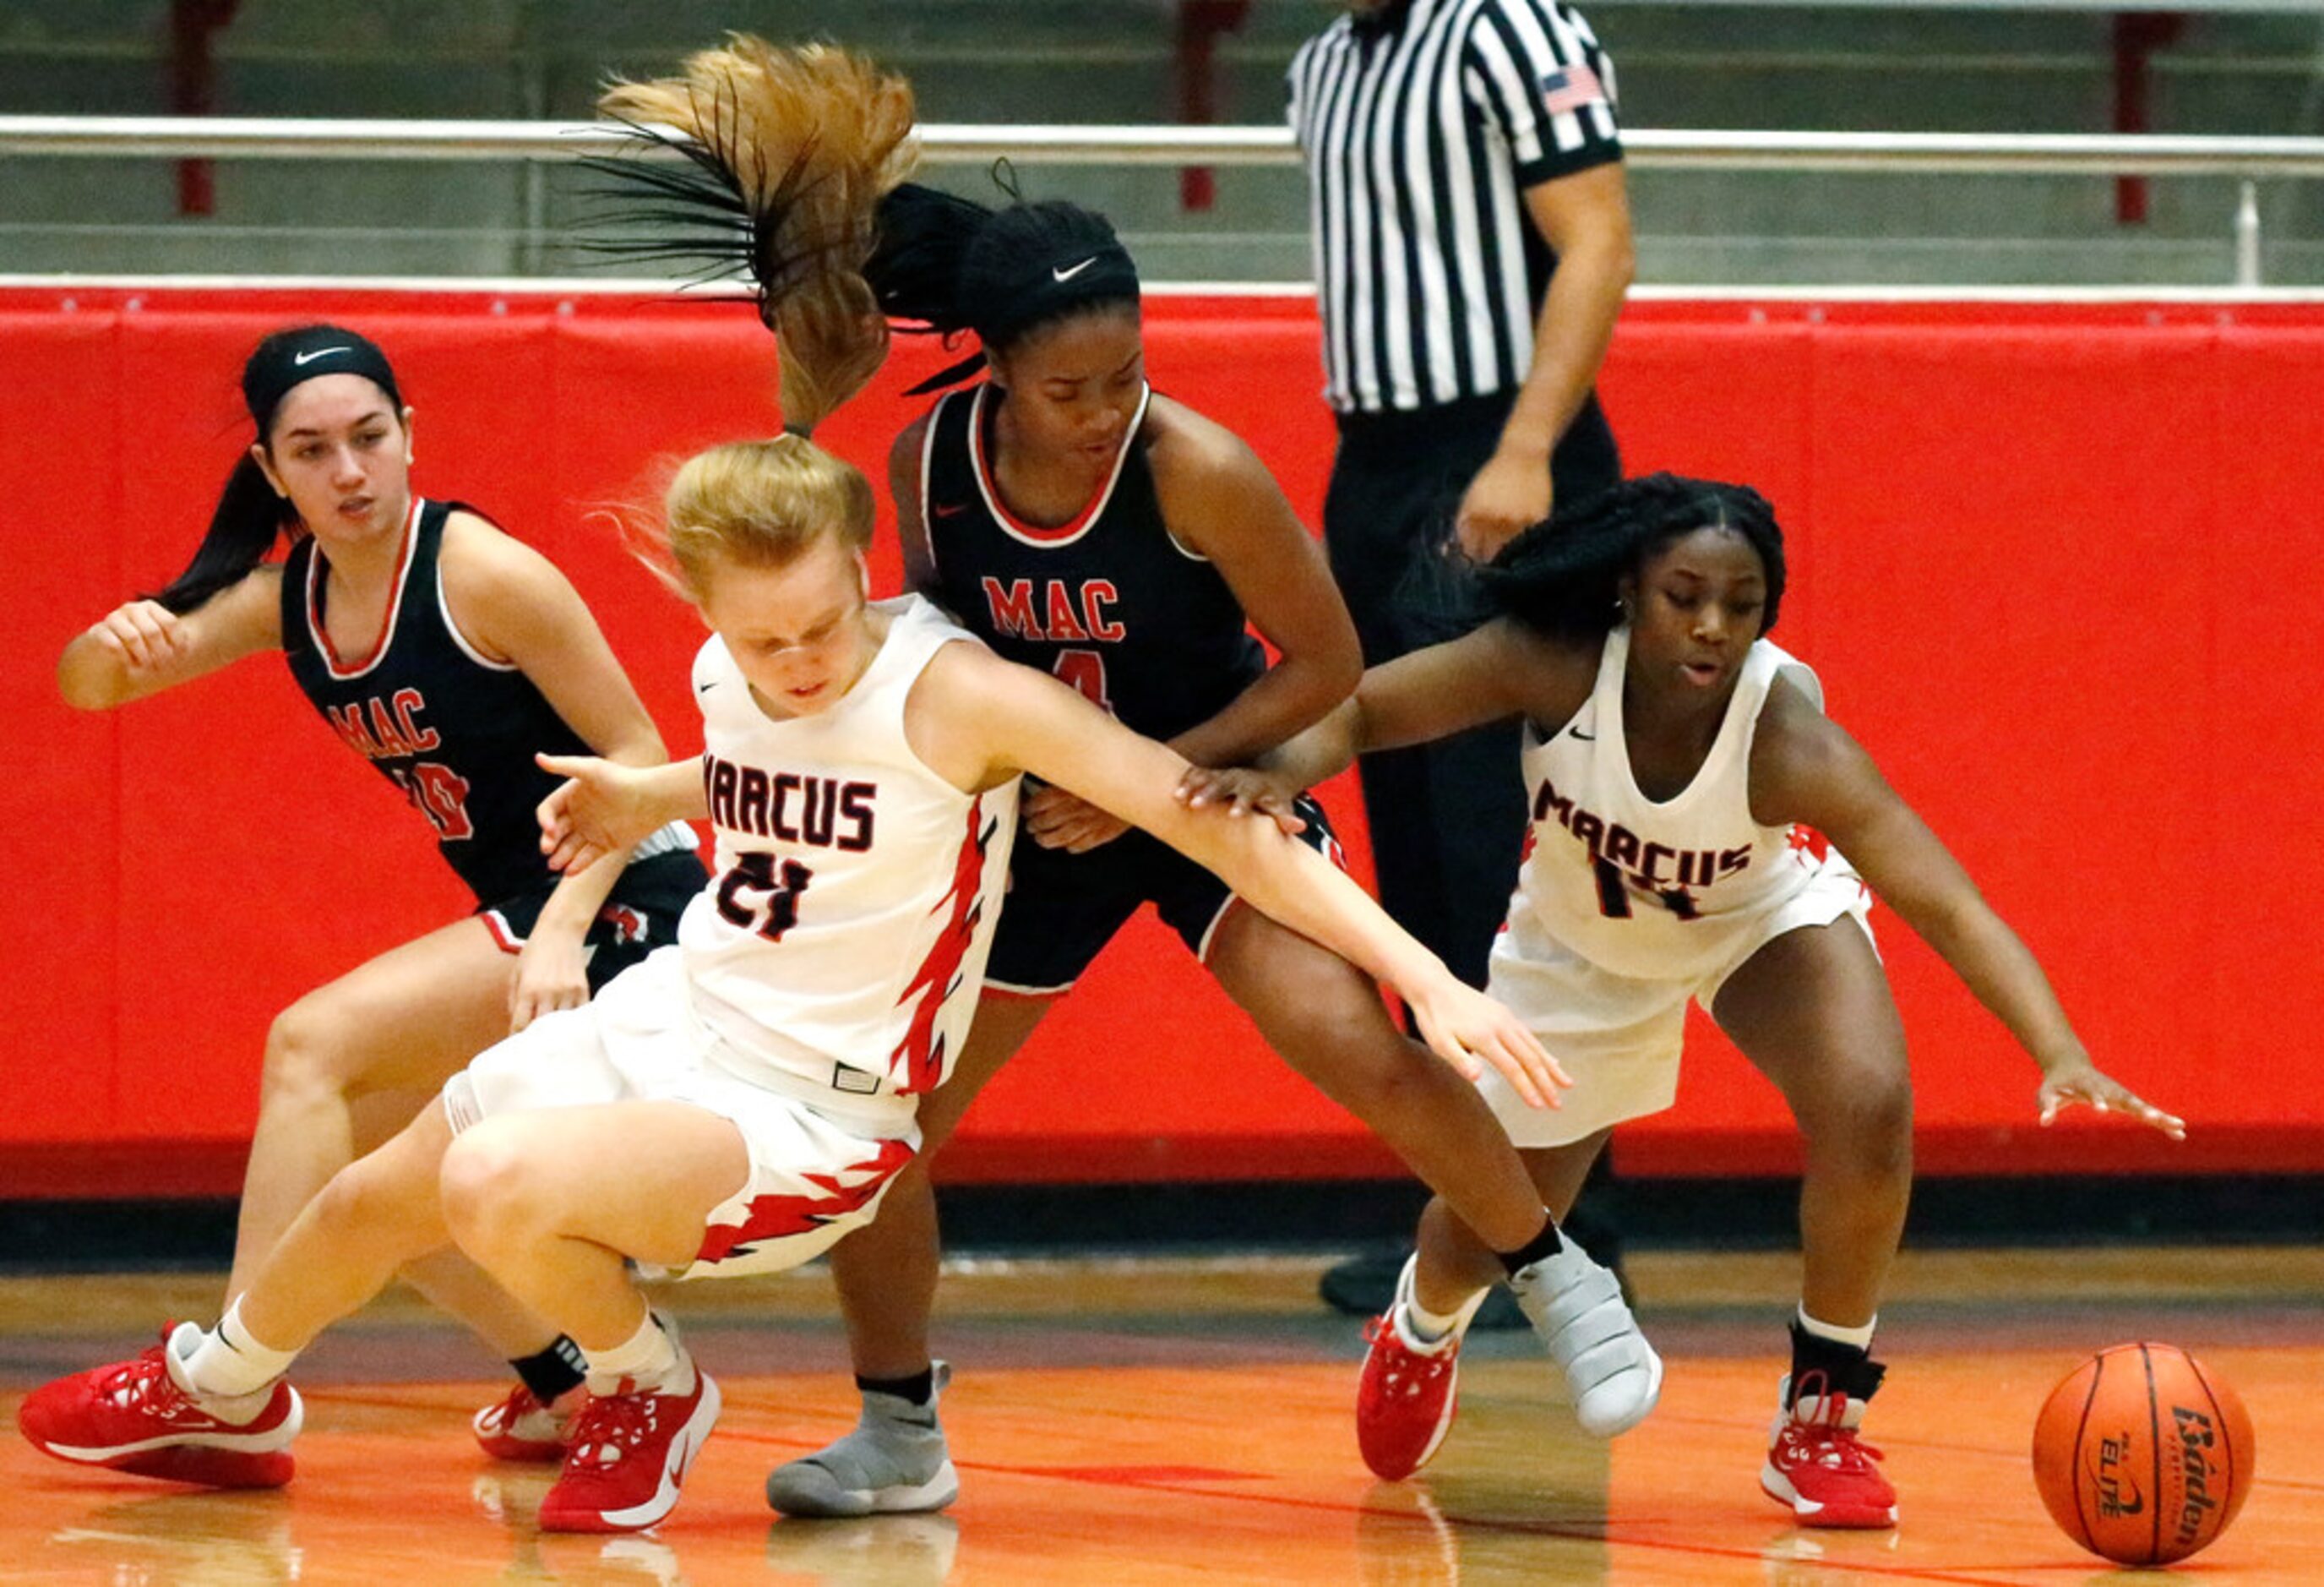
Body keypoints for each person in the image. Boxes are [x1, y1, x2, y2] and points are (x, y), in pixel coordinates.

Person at [16, 37, 1567, 1537]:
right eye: (765, 638)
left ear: (864, 563)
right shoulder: (732, 670)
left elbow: (1195, 810)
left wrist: (1427, 972)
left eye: (826, 622)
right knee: (385, 1182)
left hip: (811, 1100)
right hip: (685, 1011)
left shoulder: (958, 679)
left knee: (485, 1176)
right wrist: (655, 790)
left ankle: (642, 1384)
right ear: (712, 612)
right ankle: (226, 1379)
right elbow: (754, 748)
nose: (800, 658)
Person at [724, 179, 1660, 1520]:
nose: (1105, 407)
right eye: (1068, 388)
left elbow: (1328, 662)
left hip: (1206, 784)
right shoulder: (928, 464)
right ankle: (897, 1429)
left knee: (1352, 1039)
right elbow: (937, 653)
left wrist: (1165, 781)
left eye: (1126, 372)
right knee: (882, 1128)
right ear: (992, 369)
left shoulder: (1196, 469)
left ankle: (1555, 1272)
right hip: (1040, 814)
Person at [1179, 472, 2185, 1526]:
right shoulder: (1554, 662)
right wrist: (1278, 775)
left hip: (1751, 922)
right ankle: (1425, 1324)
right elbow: (1365, 710)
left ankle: (1821, 1418)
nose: (1711, 627)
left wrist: (2057, 1046)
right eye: (1684, 597)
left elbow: (1947, 901)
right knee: (1490, 1224)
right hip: (1582, 948)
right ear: (1629, 590)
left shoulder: (1788, 741)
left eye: (1740, 606)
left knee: (1869, 1104)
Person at [44, 324, 705, 1477]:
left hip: (626, 895)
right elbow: (90, 687)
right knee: (364, 1165)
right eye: (312, 450)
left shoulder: (480, 573)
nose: (347, 471)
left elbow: (640, 755)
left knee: (312, 1039)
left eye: (369, 437)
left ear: (410, 439)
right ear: (270, 470)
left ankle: (224, 1382)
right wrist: (113, 640)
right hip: (531, 902)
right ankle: (561, 1382)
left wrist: (559, 926)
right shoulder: (285, 598)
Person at [1290, 0, 1641, 1315]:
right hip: (1373, 458)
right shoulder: (1322, 61)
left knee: (1507, 848)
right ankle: (1466, 1207)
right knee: (1416, 853)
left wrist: (1526, 445)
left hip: (1501, 447)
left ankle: (1563, 1216)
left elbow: (1596, 240)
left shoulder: (1512, 28)